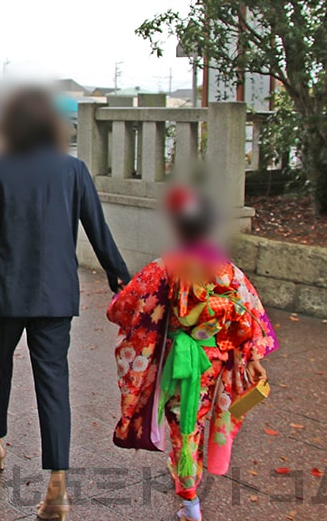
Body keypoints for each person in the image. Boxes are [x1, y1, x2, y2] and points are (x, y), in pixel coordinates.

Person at [0, 87, 129, 520]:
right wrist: (126, 282)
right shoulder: (75, 170)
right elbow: (100, 235)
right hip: (56, 296)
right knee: (53, 384)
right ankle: (58, 485)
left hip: (4, 294)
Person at [106, 186, 278, 521]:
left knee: (181, 427)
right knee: (196, 419)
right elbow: (252, 317)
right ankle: (190, 490)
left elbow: (122, 307)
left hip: (178, 360)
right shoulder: (228, 271)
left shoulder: (164, 267)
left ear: (178, 228)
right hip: (212, 362)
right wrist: (252, 357)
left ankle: (190, 501)